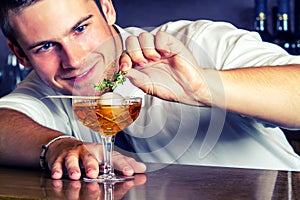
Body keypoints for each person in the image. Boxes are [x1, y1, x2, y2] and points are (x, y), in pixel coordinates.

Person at [0, 0, 299, 181]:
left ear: (107, 8)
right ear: (21, 55)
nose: (75, 61)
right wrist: (57, 146)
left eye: (80, 29)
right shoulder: (49, 85)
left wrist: (202, 86)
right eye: (46, 46)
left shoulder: (201, 41)